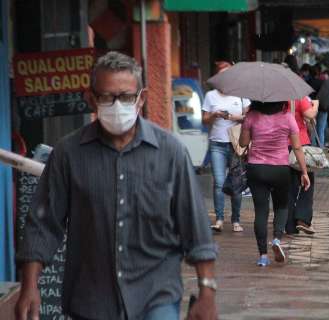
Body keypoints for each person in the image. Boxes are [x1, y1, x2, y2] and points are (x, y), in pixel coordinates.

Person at [15, 52, 217, 320]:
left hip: (156, 296)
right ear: (91, 99)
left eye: (125, 97)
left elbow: (196, 227)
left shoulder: (171, 153)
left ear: (141, 98)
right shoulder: (68, 154)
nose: (117, 104)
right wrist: (29, 286)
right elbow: (43, 223)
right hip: (91, 300)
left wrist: (207, 292)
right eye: (107, 97)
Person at [239, 101, 310, 267]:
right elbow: (297, 147)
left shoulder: (251, 116)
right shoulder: (288, 118)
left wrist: (246, 125)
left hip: (256, 168)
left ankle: (263, 256)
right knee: (282, 206)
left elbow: (243, 143)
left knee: (261, 211)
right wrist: (304, 172)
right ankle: (277, 239)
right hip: (280, 169)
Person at [202, 61, 250, 232]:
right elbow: (204, 120)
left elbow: (249, 118)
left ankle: (236, 220)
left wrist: (233, 117)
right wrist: (214, 115)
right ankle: (219, 219)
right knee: (219, 183)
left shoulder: (241, 95)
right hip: (217, 144)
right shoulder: (210, 96)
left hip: (236, 144)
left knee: (236, 184)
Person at [286, 96, 318, 235]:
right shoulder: (297, 96)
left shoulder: (274, 98)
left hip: (281, 145)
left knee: (289, 186)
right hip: (301, 143)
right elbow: (309, 114)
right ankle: (303, 219)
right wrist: (316, 105)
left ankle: (289, 225)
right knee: (307, 182)